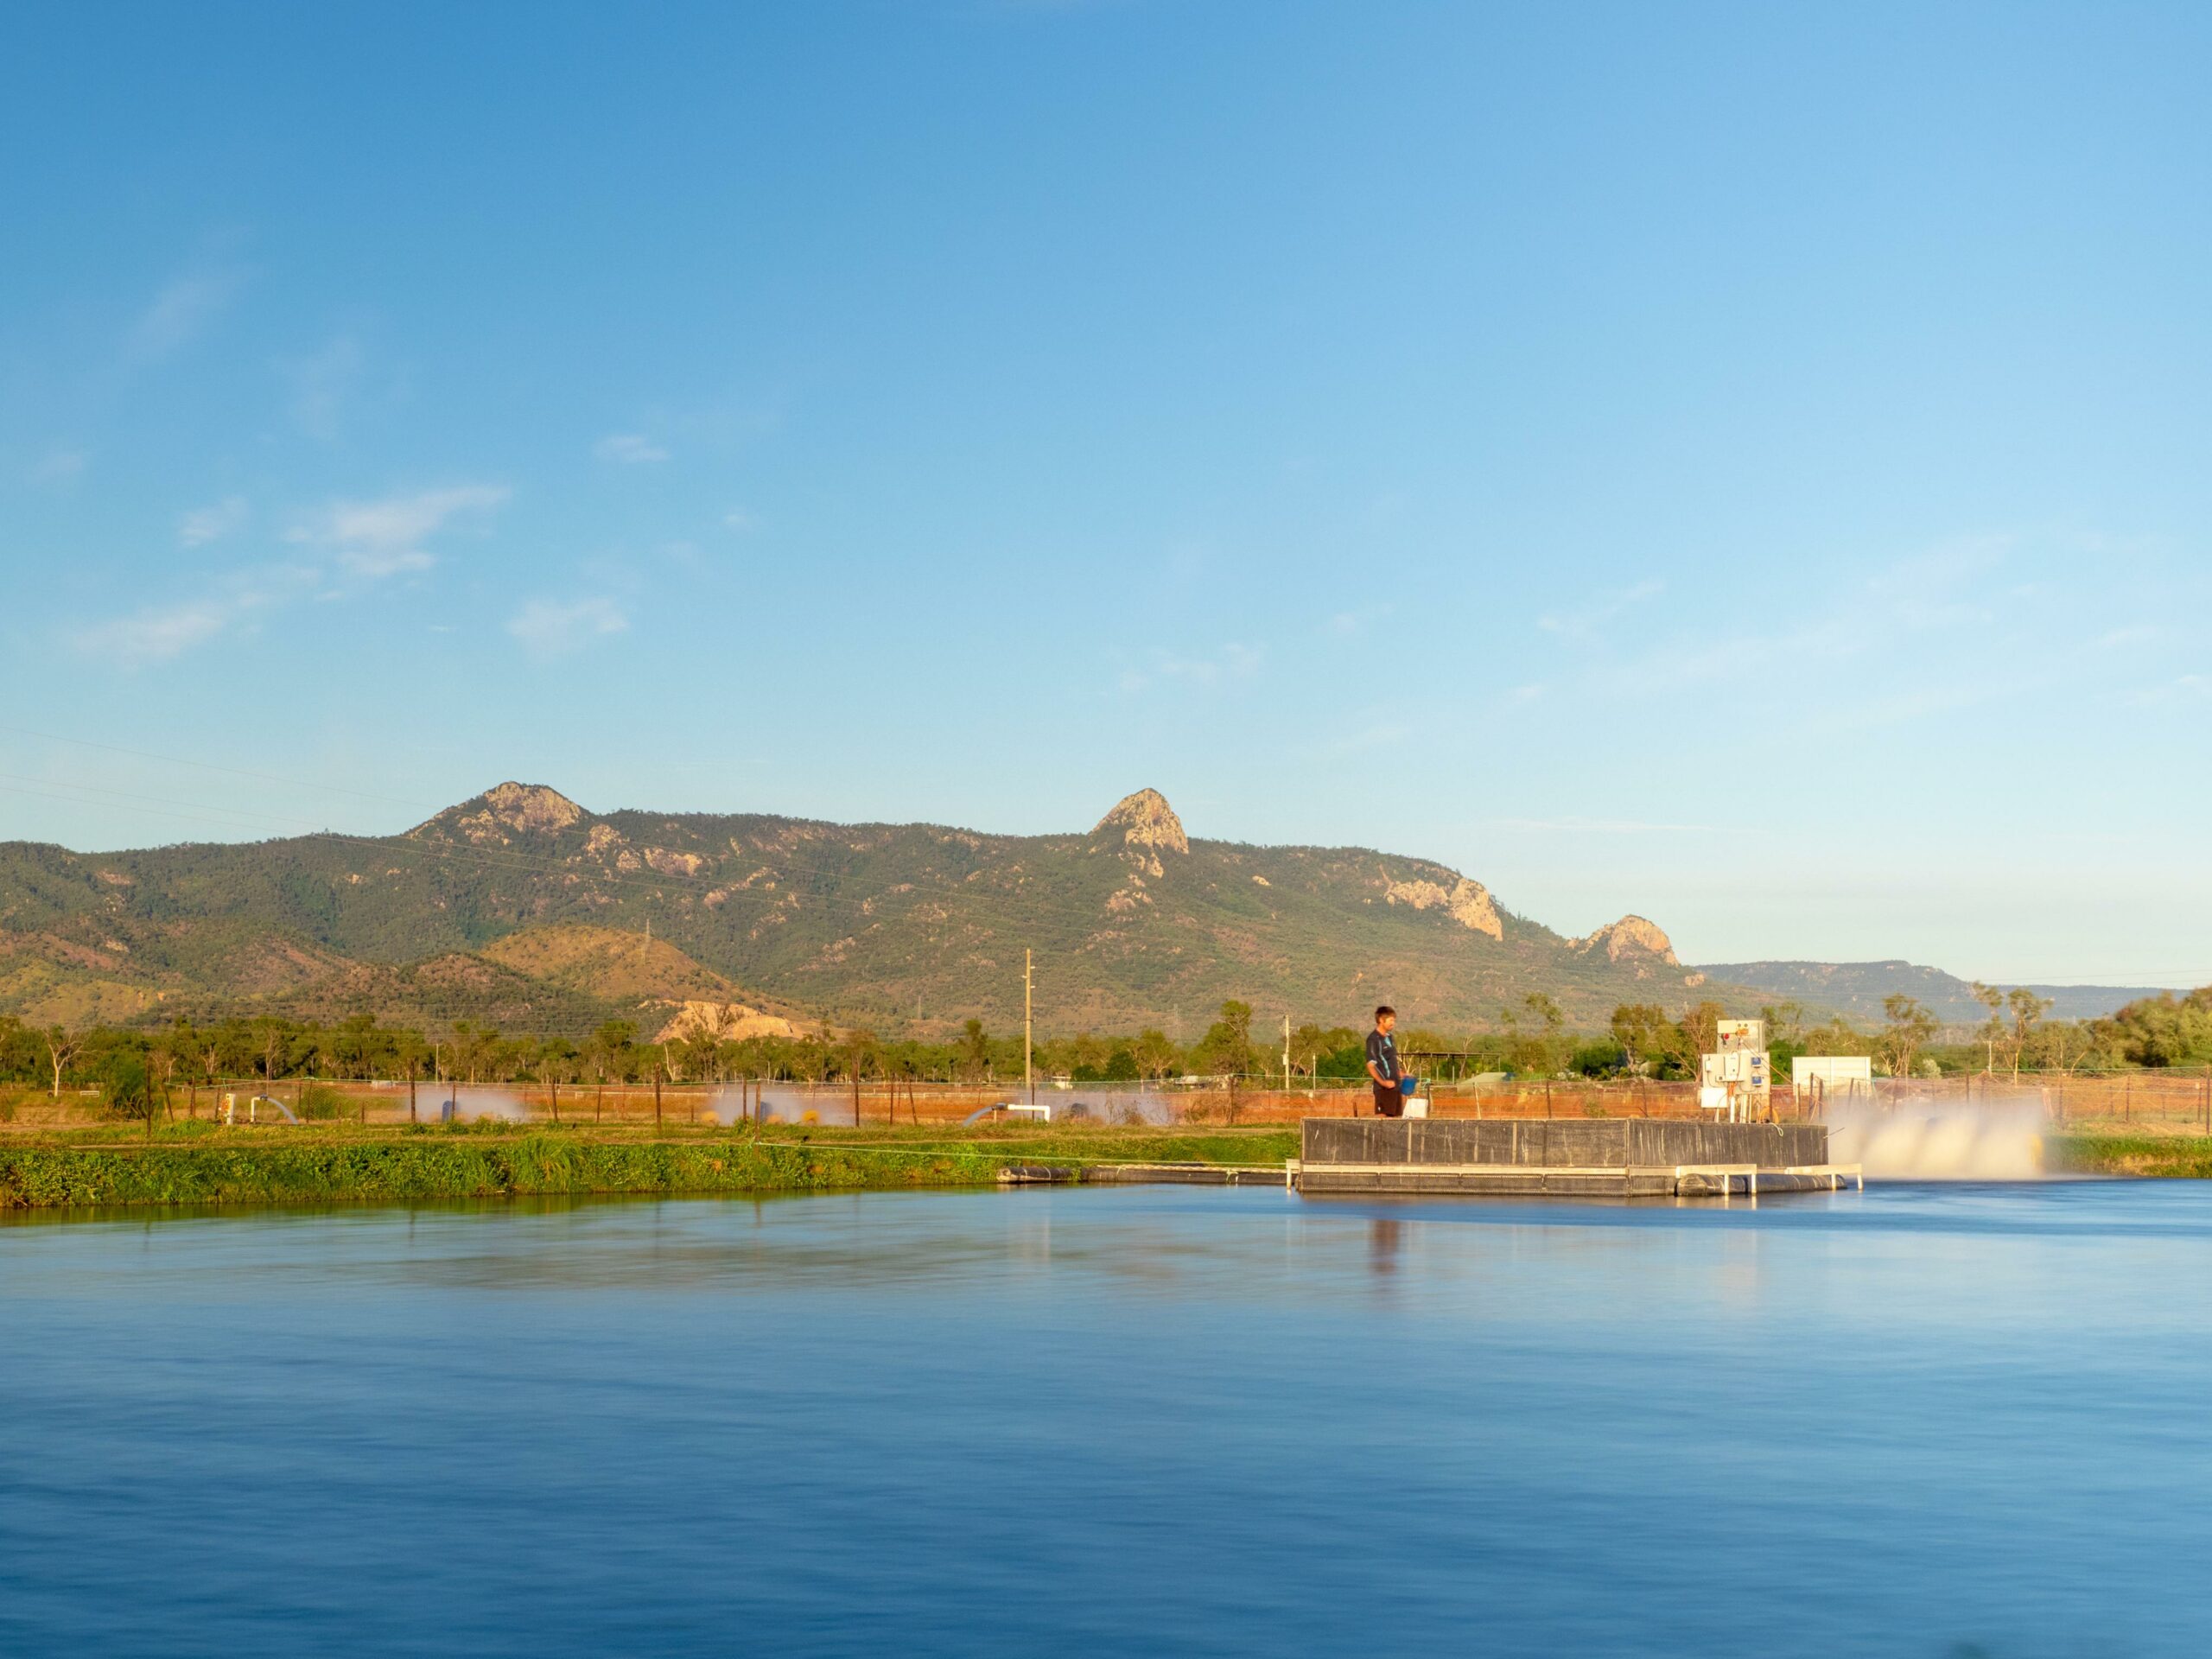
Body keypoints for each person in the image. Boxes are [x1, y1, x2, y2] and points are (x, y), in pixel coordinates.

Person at [1365, 1005, 1404, 1117]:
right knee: (1382, 1123)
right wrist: (1383, 1083)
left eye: (1394, 1020)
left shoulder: (1389, 1038)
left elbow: (1390, 1063)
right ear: (1381, 1020)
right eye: (1391, 1020)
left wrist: (1403, 1074)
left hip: (1395, 1087)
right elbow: (1371, 1065)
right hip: (1383, 1089)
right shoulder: (1373, 1039)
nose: (1393, 1023)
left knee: (1395, 1123)